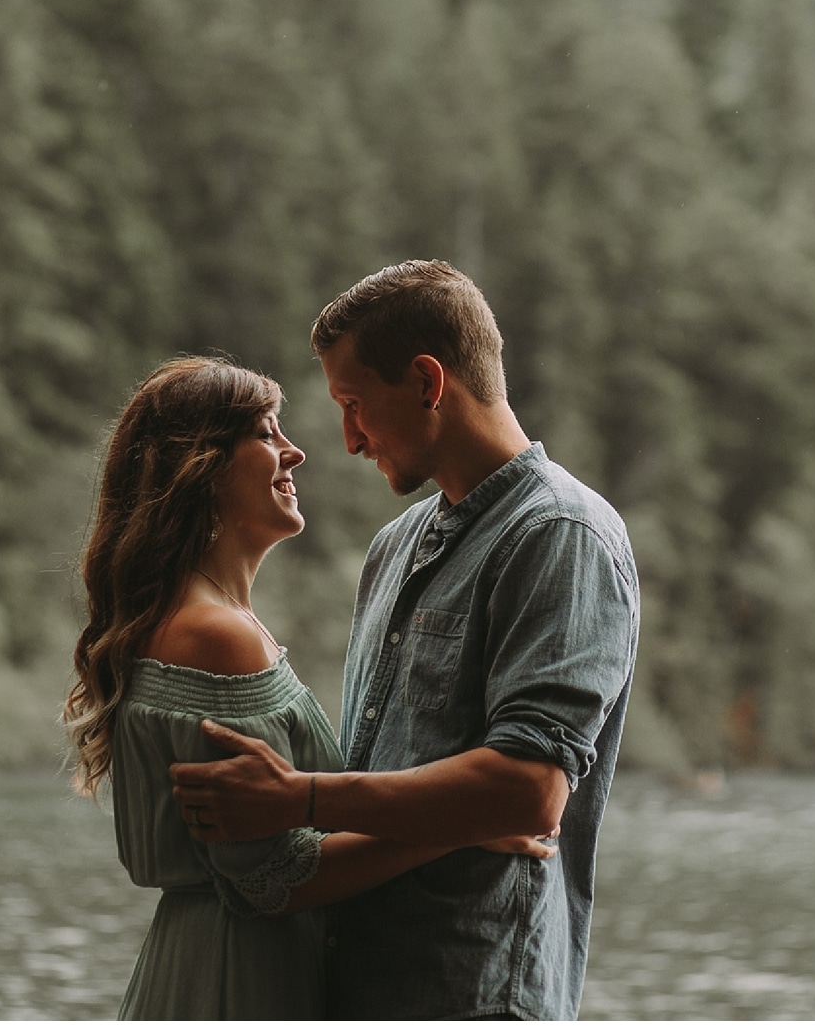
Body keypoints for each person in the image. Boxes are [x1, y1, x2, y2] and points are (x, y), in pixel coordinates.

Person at [171, 260, 639, 1021]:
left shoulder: (563, 534)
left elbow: (531, 788)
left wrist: (298, 797)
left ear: (427, 381)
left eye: (354, 404)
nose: (349, 440)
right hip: (353, 987)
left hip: (472, 992)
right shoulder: (395, 545)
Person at [65, 354, 552, 1019]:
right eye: (266, 433)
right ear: (199, 463)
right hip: (236, 981)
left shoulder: (209, 622)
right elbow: (271, 878)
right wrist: (462, 826)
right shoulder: (215, 637)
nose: (295, 451)